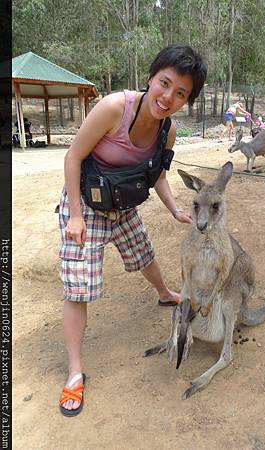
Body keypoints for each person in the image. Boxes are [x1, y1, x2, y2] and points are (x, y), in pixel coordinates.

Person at [58, 44, 207, 416]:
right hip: (86, 206)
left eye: (180, 93)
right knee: (79, 286)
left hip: (122, 206)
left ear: (186, 101)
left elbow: (156, 174)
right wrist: (75, 216)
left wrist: (174, 209)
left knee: (143, 253)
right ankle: (75, 372)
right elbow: (73, 156)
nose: (167, 97)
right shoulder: (113, 108)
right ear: (151, 77)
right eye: (164, 83)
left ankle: (165, 292)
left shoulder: (167, 132)